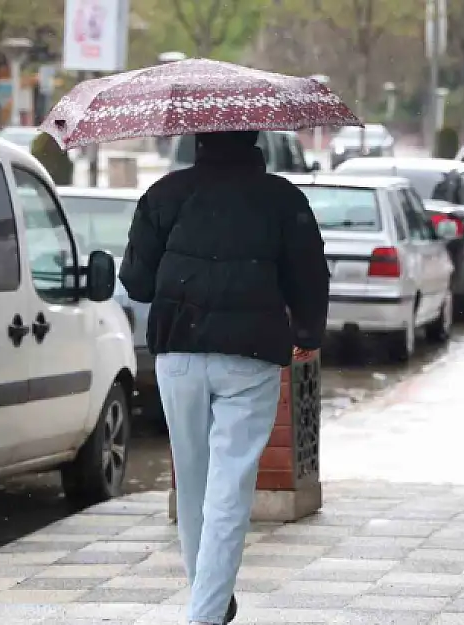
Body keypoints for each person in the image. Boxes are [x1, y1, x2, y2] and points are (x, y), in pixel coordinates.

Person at [119, 130, 329, 625]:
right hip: (251, 354)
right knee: (230, 486)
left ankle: (207, 596)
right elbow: (310, 275)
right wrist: (307, 332)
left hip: (178, 353)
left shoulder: (164, 194)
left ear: (198, 138)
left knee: (192, 480)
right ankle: (206, 612)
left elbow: (136, 282)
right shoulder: (283, 198)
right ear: (254, 137)